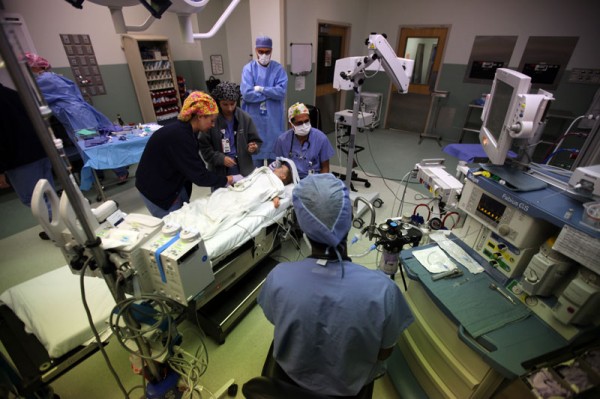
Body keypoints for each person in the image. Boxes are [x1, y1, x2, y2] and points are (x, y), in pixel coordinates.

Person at [257, 173, 414, 398]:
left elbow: (276, 319)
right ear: (350, 218)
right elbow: (384, 352)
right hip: (350, 388)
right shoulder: (383, 291)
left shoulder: (279, 277)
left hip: (290, 381)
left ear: (301, 223)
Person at [24, 52, 129, 182]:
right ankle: (100, 174)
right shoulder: (53, 77)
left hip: (77, 117)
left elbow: (35, 99)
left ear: (35, 66)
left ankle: (119, 171)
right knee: (90, 145)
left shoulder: (44, 80)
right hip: (75, 116)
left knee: (93, 145)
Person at [135, 91, 234, 218]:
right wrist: (227, 179)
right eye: (212, 120)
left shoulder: (187, 132)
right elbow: (199, 176)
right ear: (200, 116)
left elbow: (195, 164)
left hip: (173, 181)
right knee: (177, 226)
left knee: (185, 213)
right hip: (157, 190)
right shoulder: (180, 137)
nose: (213, 125)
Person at [164, 161, 294, 240]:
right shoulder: (265, 172)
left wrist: (275, 197)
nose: (276, 168)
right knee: (220, 197)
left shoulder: (277, 183)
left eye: (280, 169)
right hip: (239, 191)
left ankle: (202, 222)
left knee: (230, 208)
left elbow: (274, 192)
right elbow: (250, 178)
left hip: (248, 197)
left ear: (283, 176)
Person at [0, 84, 55, 240]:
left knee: (35, 198)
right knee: (48, 193)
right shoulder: (16, 94)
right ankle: (59, 226)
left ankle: (59, 231)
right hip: (40, 150)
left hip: (20, 159)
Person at [199, 81, 263, 189]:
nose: (229, 108)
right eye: (225, 104)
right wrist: (220, 158)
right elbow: (204, 148)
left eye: (232, 104)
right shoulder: (211, 119)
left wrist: (254, 147)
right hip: (220, 170)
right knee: (222, 202)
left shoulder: (244, 118)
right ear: (218, 102)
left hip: (243, 167)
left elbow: (256, 140)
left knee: (244, 198)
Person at [241, 36, 288, 167]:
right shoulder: (248, 69)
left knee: (275, 168)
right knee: (256, 170)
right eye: (261, 51)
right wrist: (271, 93)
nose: (264, 55)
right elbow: (247, 94)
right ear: (256, 50)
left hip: (274, 124)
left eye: (267, 52)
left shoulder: (278, 69)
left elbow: (281, 92)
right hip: (255, 124)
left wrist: (261, 89)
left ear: (271, 51)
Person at [274, 102, 335, 179]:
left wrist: (320, 184)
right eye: (299, 123)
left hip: (314, 180)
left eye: (306, 121)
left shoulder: (321, 138)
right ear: (291, 125)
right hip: (291, 180)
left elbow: (325, 168)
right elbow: (278, 167)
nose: (304, 125)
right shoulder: (282, 140)